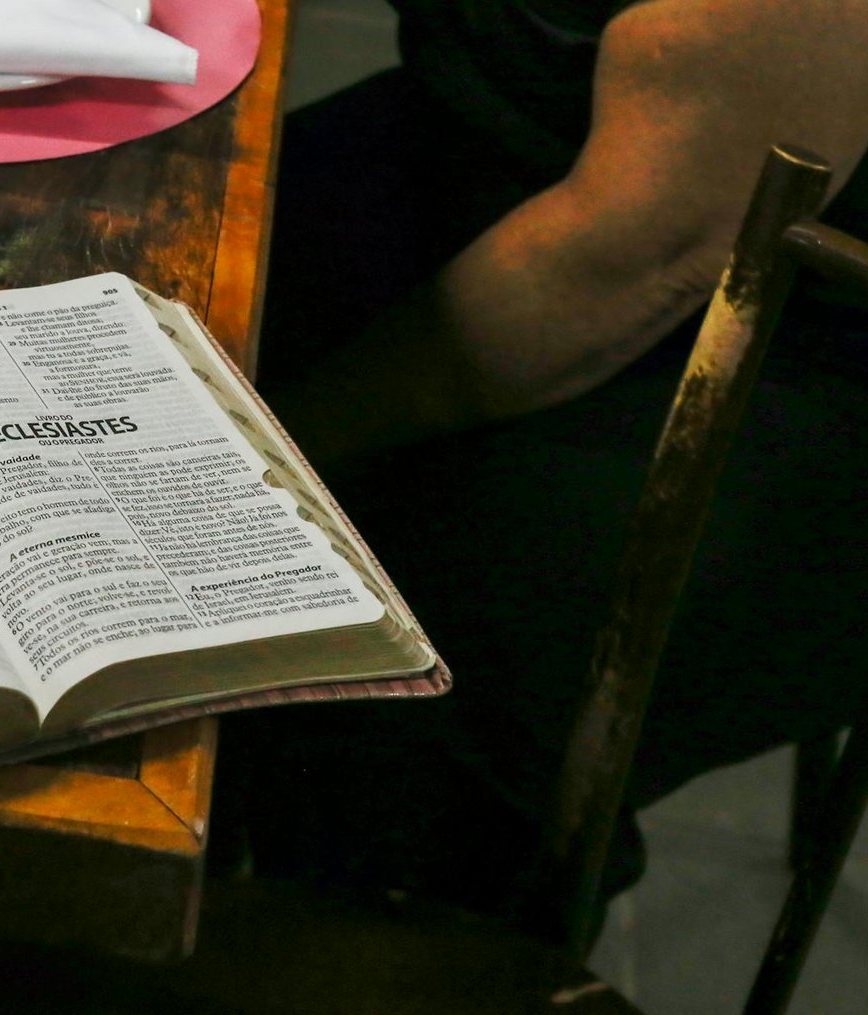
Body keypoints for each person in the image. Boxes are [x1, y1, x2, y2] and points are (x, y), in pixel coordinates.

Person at [213, 0, 868, 917]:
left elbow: (643, 250)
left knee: (413, 668)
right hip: (526, 133)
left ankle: (396, 987)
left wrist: (253, 456)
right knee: (125, 303)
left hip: (801, 320)